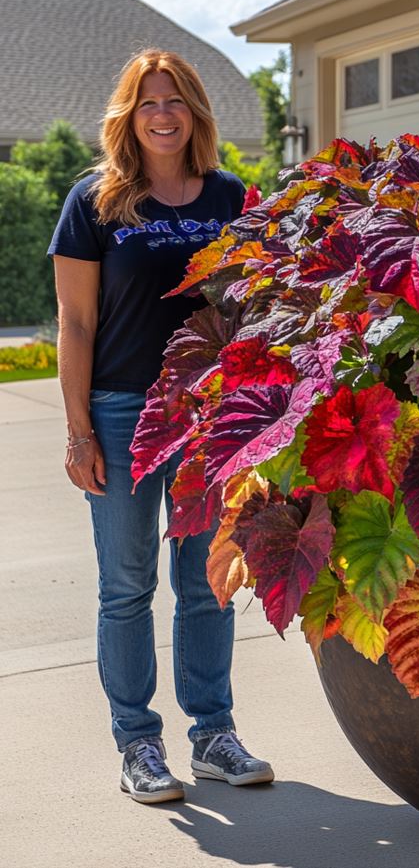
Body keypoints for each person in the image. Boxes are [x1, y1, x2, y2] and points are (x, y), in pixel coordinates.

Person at [48, 49, 274, 804]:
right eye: (148, 102)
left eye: (175, 100)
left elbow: (255, 304)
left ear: (196, 112)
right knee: (126, 584)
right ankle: (138, 743)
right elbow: (76, 322)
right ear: (128, 115)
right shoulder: (97, 201)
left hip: (210, 416)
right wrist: (78, 429)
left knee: (207, 583)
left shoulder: (231, 196)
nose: (163, 113)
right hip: (119, 412)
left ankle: (212, 732)